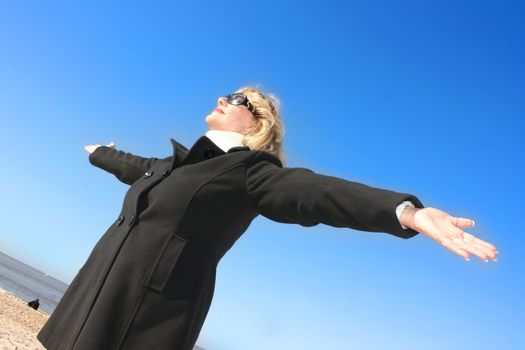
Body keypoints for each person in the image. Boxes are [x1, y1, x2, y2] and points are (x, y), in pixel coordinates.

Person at [37, 85, 498, 350]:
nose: (224, 96)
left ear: (257, 123)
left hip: (146, 315)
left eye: (239, 98)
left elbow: (316, 193)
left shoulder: (250, 172)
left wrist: (405, 212)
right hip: (96, 291)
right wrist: (101, 153)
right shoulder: (173, 166)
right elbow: (134, 167)